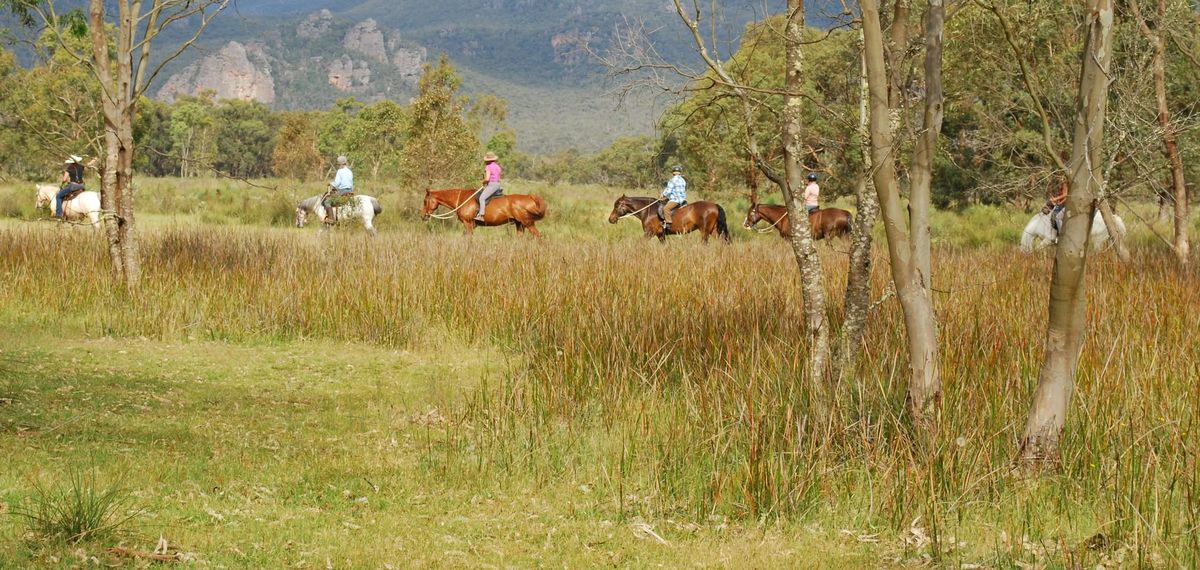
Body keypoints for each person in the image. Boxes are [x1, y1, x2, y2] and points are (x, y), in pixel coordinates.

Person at [323, 155, 354, 223]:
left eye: (338, 164)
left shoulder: (340, 171)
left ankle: (331, 218)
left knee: (327, 201)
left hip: (342, 191)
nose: (338, 165)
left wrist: (330, 184)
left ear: (340, 163)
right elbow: (351, 184)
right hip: (350, 191)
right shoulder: (350, 171)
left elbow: (337, 183)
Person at [476, 152, 502, 222]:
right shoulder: (498, 167)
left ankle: (481, 215)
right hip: (498, 185)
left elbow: (487, 178)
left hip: (492, 185)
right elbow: (499, 178)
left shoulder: (488, 167)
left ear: (487, 160)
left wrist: (483, 182)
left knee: (481, 198)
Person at [661, 165, 687, 232]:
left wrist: (663, 195)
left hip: (675, 200)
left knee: (666, 208)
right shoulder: (683, 180)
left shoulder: (672, 180)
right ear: (680, 172)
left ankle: (668, 223)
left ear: (673, 172)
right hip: (683, 199)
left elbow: (668, 191)